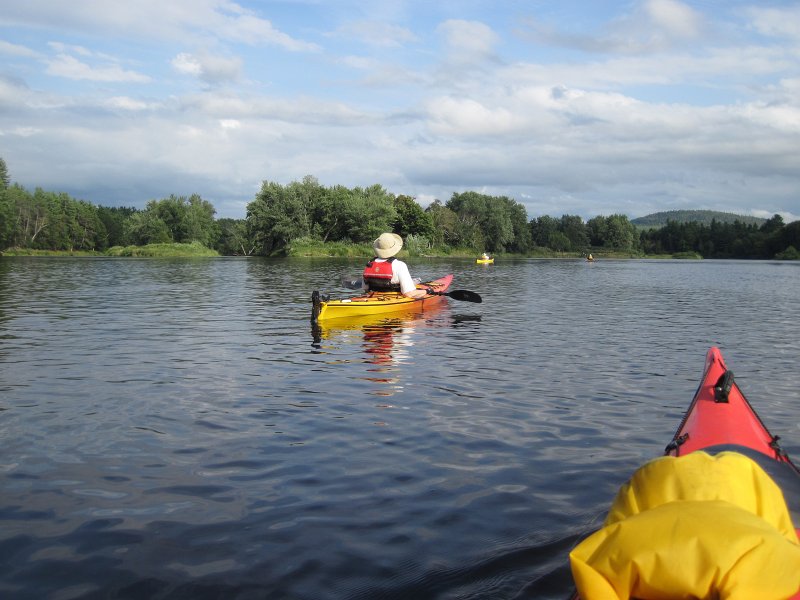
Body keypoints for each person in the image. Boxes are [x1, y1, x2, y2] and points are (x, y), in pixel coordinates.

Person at [363, 233, 428, 299]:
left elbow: (365, 289)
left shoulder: (369, 263)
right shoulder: (399, 265)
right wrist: (426, 291)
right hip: (393, 298)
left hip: (373, 297)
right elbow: (408, 294)